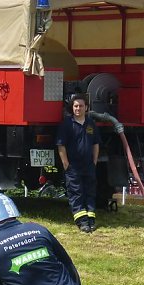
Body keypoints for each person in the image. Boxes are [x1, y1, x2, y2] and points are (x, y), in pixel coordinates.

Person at [56, 94, 101, 233]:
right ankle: (82, 222)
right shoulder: (67, 124)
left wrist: (94, 161)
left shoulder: (91, 124)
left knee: (90, 192)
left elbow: (96, 143)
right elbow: (61, 145)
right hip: (73, 166)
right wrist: (66, 164)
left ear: (86, 108)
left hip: (88, 165)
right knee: (76, 193)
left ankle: (91, 219)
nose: (78, 108)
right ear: (72, 108)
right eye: (76, 106)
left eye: (81, 106)